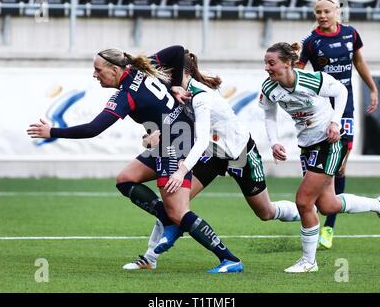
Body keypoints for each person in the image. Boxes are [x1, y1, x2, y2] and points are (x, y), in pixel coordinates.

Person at [27, 46, 244, 274]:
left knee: (178, 213)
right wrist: (176, 85)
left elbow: (93, 129)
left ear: (114, 69)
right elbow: (177, 51)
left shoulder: (126, 94)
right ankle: (161, 235)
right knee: (126, 179)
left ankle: (229, 259)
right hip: (171, 137)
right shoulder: (142, 66)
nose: (94, 75)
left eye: (98, 70)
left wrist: (52, 132)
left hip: (176, 142)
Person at [123, 49, 302, 271]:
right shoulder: (177, 92)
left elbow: (200, 139)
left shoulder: (201, 97)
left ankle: (304, 212)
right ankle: (150, 259)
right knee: (174, 204)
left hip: (240, 154)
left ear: (180, 73)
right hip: (213, 156)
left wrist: (181, 171)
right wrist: (154, 136)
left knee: (266, 212)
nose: (163, 78)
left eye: (165, 73)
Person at [260, 42, 380, 273]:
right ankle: (379, 204)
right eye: (266, 63)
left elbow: (341, 91)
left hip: (329, 143)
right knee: (327, 204)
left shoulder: (312, 80)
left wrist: (335, 122)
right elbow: (269, 116)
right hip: (307, 146)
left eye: (271, 63)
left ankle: (309, 262)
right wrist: (274, 142)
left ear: (288, 63)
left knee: (303, 201)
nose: (267, 68)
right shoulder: (270, 88)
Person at [296, 0, 379, 249]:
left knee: (340, 166)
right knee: (319, 167)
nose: (322, 16)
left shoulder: (351, 35)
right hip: (320, 109)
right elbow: (298, 69)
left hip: (346, 106)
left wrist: (373, 89)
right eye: (317, 12)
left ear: (336, 12)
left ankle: (329, 226)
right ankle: (319, 206)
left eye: (326, 11)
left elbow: (359, 62)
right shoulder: (311, 41)